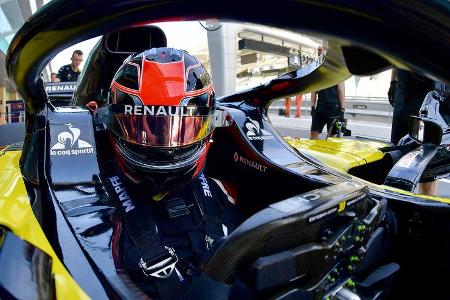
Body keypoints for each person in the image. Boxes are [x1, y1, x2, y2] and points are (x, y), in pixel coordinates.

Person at [98, 47, 241, 299]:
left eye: (179, 128)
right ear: (112, 121)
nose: (165, 148)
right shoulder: (98, 204)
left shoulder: (219, 191)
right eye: (148, 127)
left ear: (209, 124)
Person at [389, 67, 435, 145]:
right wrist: (393, 82)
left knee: (416, 144)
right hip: (401, 93)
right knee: (395, 143)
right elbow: (394, 62)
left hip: (420, 97)